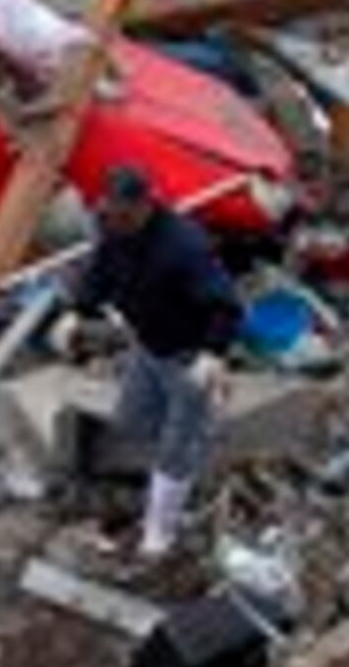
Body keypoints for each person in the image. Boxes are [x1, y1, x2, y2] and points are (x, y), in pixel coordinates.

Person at [70, 163, 242, 559]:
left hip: (189, 357)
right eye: (111, 213)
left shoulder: (183, 247)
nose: (117, 222)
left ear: (146, 206)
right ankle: (142, 501)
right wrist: (76, 311)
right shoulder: (113, 230)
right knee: (131, 421)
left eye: (125, 215)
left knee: (176, 445)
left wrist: (213, 354)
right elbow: (99, 272)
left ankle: (160, 533)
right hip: (149, 348)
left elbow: (226, 307)